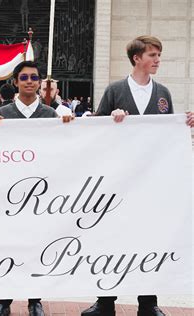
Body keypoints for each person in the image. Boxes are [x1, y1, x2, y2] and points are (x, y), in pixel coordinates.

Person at [81, 35, 194, 316]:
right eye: (152, 55)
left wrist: (186, 123)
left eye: (158, 55)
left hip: (151, 179)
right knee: (112, 237)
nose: (157, 60)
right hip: (118, 178)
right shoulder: (116, 90)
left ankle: (148, 303)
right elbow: (96, 126)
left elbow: (168, 132)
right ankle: (105, 302)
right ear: (137, 58)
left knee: (150, 239)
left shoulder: (163, 93)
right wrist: (111, 119)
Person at [0, 61, 62, 316]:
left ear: (40, 82)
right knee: (7, 245)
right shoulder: (1, 114)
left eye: (34, 77)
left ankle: (34, 299)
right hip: (8, 193)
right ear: (16, 82)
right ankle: (4, 300)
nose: (29, 81)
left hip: (40, 194)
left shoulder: (51, 115)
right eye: (24, 77)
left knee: (37, 246)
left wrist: (71, 127)